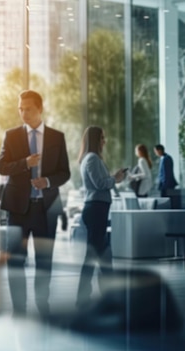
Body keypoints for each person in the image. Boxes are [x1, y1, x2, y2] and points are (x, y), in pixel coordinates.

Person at [0, 90, 70, 318]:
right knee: (16, 261)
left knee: (44, 260)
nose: (23, 113)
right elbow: (1, 167)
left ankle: (42, 303)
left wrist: (47, 181)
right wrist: (25, 163)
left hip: (46, 209)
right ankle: (19, 308)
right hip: (17, 209)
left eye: (28, 108)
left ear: (40, 108)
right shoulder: (11, 136)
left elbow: (64, 172)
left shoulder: (57, 137)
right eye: (20, 108)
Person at [76, 126, 127, 308]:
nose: (104, 141)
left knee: (103, 254)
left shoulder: (90, 159)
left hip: (97, 209)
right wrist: (115, 178)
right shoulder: (92, 159)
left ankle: (105, 294)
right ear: (96, 139)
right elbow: (99, 183)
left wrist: (114, 178)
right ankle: (88, 295)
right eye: (102, 138)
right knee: (96, 255)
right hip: (96, 209)